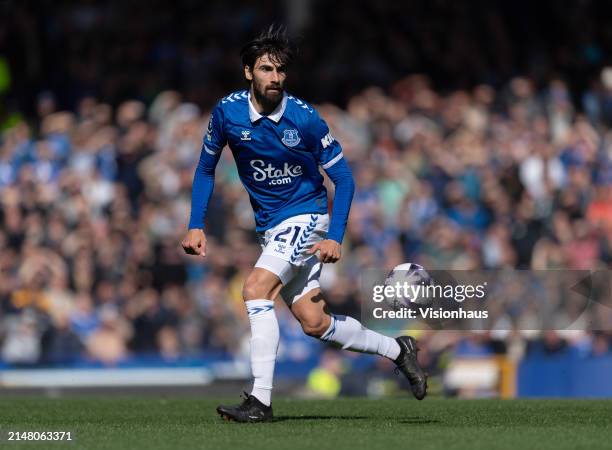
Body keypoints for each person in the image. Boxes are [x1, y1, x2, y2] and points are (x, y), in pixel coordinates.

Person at [181, 25, 427, 423]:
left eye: (280, 71)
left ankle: (259, 401)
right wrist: (195, 223)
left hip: (306, 217)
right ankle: (399, 351)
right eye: (265, 70)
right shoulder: (226, 113)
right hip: (271, 228)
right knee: (315, 324)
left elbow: (344, 179)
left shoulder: (305, 119)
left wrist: (334, 236)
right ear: (248, 73)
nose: (274, 78)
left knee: (255, 289)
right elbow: (205, 169)